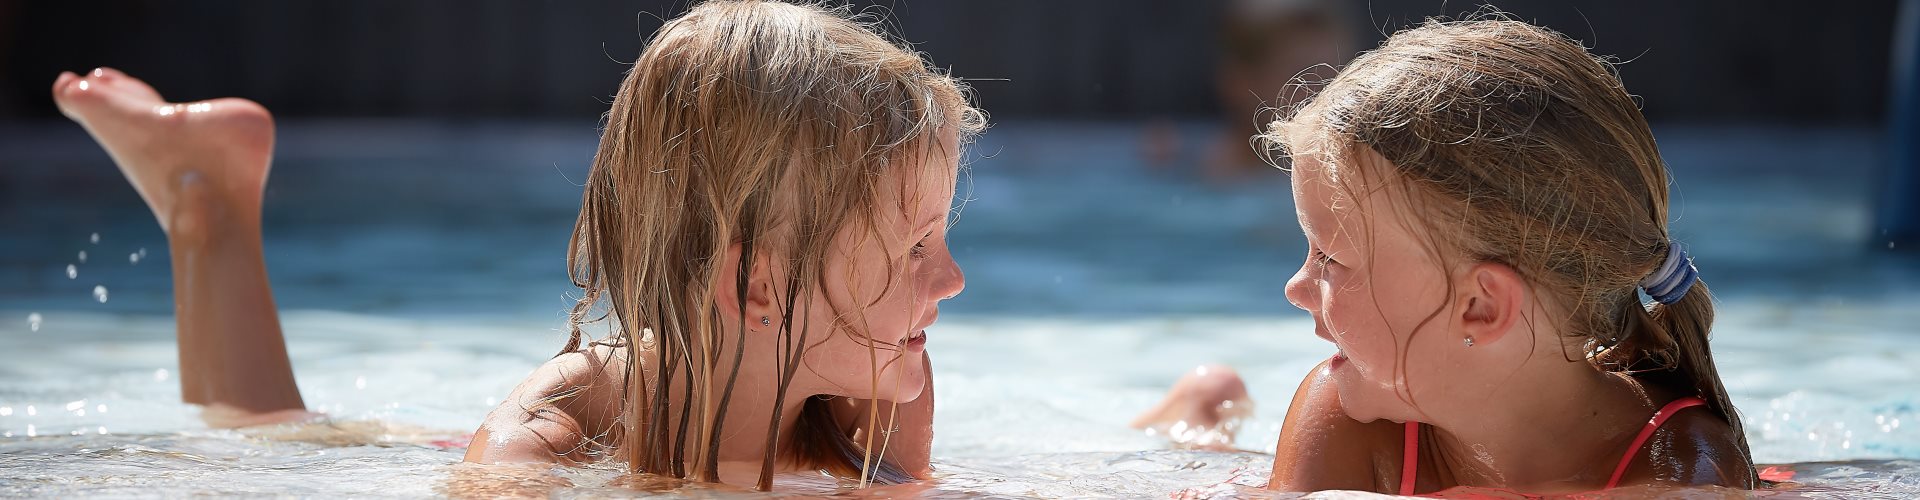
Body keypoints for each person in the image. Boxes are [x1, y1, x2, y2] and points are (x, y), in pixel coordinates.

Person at [48, 0, 985, 490]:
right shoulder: (556, 424)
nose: (951, 279)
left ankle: (205, 193)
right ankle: (205, 204)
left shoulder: (881, 385)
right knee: (258, 435)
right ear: (761, 283)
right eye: (913, 249)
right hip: (439, 452)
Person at [1141, 17, 1758, 494]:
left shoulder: (1677, 471)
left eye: (1331, 258)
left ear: (1481, 306)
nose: (1296, 287)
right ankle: (1200, 415)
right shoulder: (1352, 419)